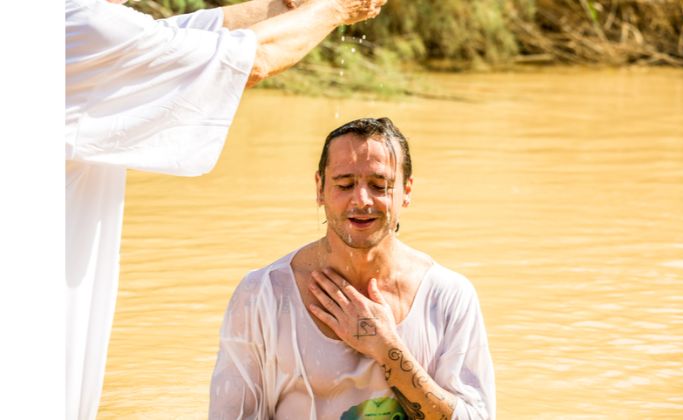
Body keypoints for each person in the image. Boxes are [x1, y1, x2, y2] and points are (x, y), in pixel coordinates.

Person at [65, 0, 386, 418]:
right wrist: (337, 9)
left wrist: (295, 5)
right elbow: (254, 59)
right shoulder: (81, 26)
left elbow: (194, 31)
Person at [209, 117, 495, 419]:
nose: (361, 200)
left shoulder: (448, 296)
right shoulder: (263, 295)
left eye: (379, 185)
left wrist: (387, 349)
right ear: (320, 189)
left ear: (406, 191)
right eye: (345, 184)